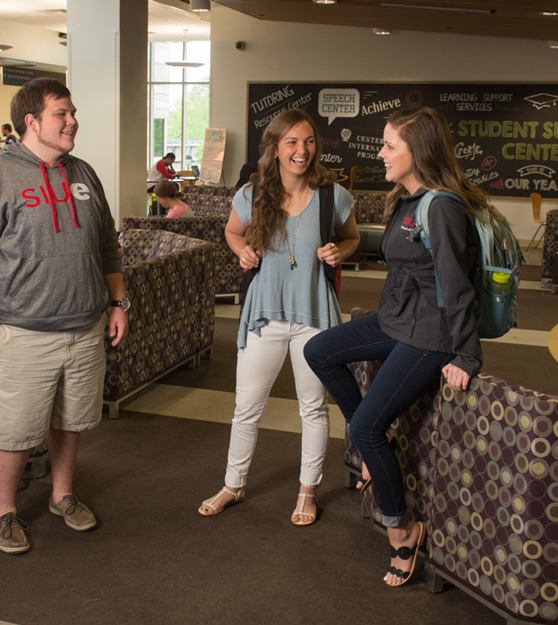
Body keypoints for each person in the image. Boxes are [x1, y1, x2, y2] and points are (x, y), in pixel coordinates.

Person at [303, 107, 486, 587]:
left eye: (389, 146)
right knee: (319, 351)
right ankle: (369, 449)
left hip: (430, 336)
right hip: (396, 322)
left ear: (417, 152)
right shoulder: (404, 201)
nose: (379, 153)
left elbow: (457, 287)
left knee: (366, 430)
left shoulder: (442, 206)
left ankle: (402, 531)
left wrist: (466, 356)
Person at [0, 77, 127, 555]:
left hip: (85, 327)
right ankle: (2, 512)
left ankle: (62, 495)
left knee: (68, 421)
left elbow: (108, 245)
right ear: (32, 122)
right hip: (22, 332)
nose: (72, 121)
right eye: (61, 114)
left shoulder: (84, 173)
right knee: (12, 430)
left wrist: (117, 303)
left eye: (72, 113)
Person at [198, 108, 360, 527]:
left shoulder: (333, 196)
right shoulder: (252, 195)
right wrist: (241, 250)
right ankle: (233, 484)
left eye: (308, 142)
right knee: (247, 405)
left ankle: (308, 489)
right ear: (274, 147)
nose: (301, 150)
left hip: (314, 315)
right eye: (291, 142)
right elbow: (233, 232)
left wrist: (338, 252)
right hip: (264, 315)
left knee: (313, 407)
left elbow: (353, 237)